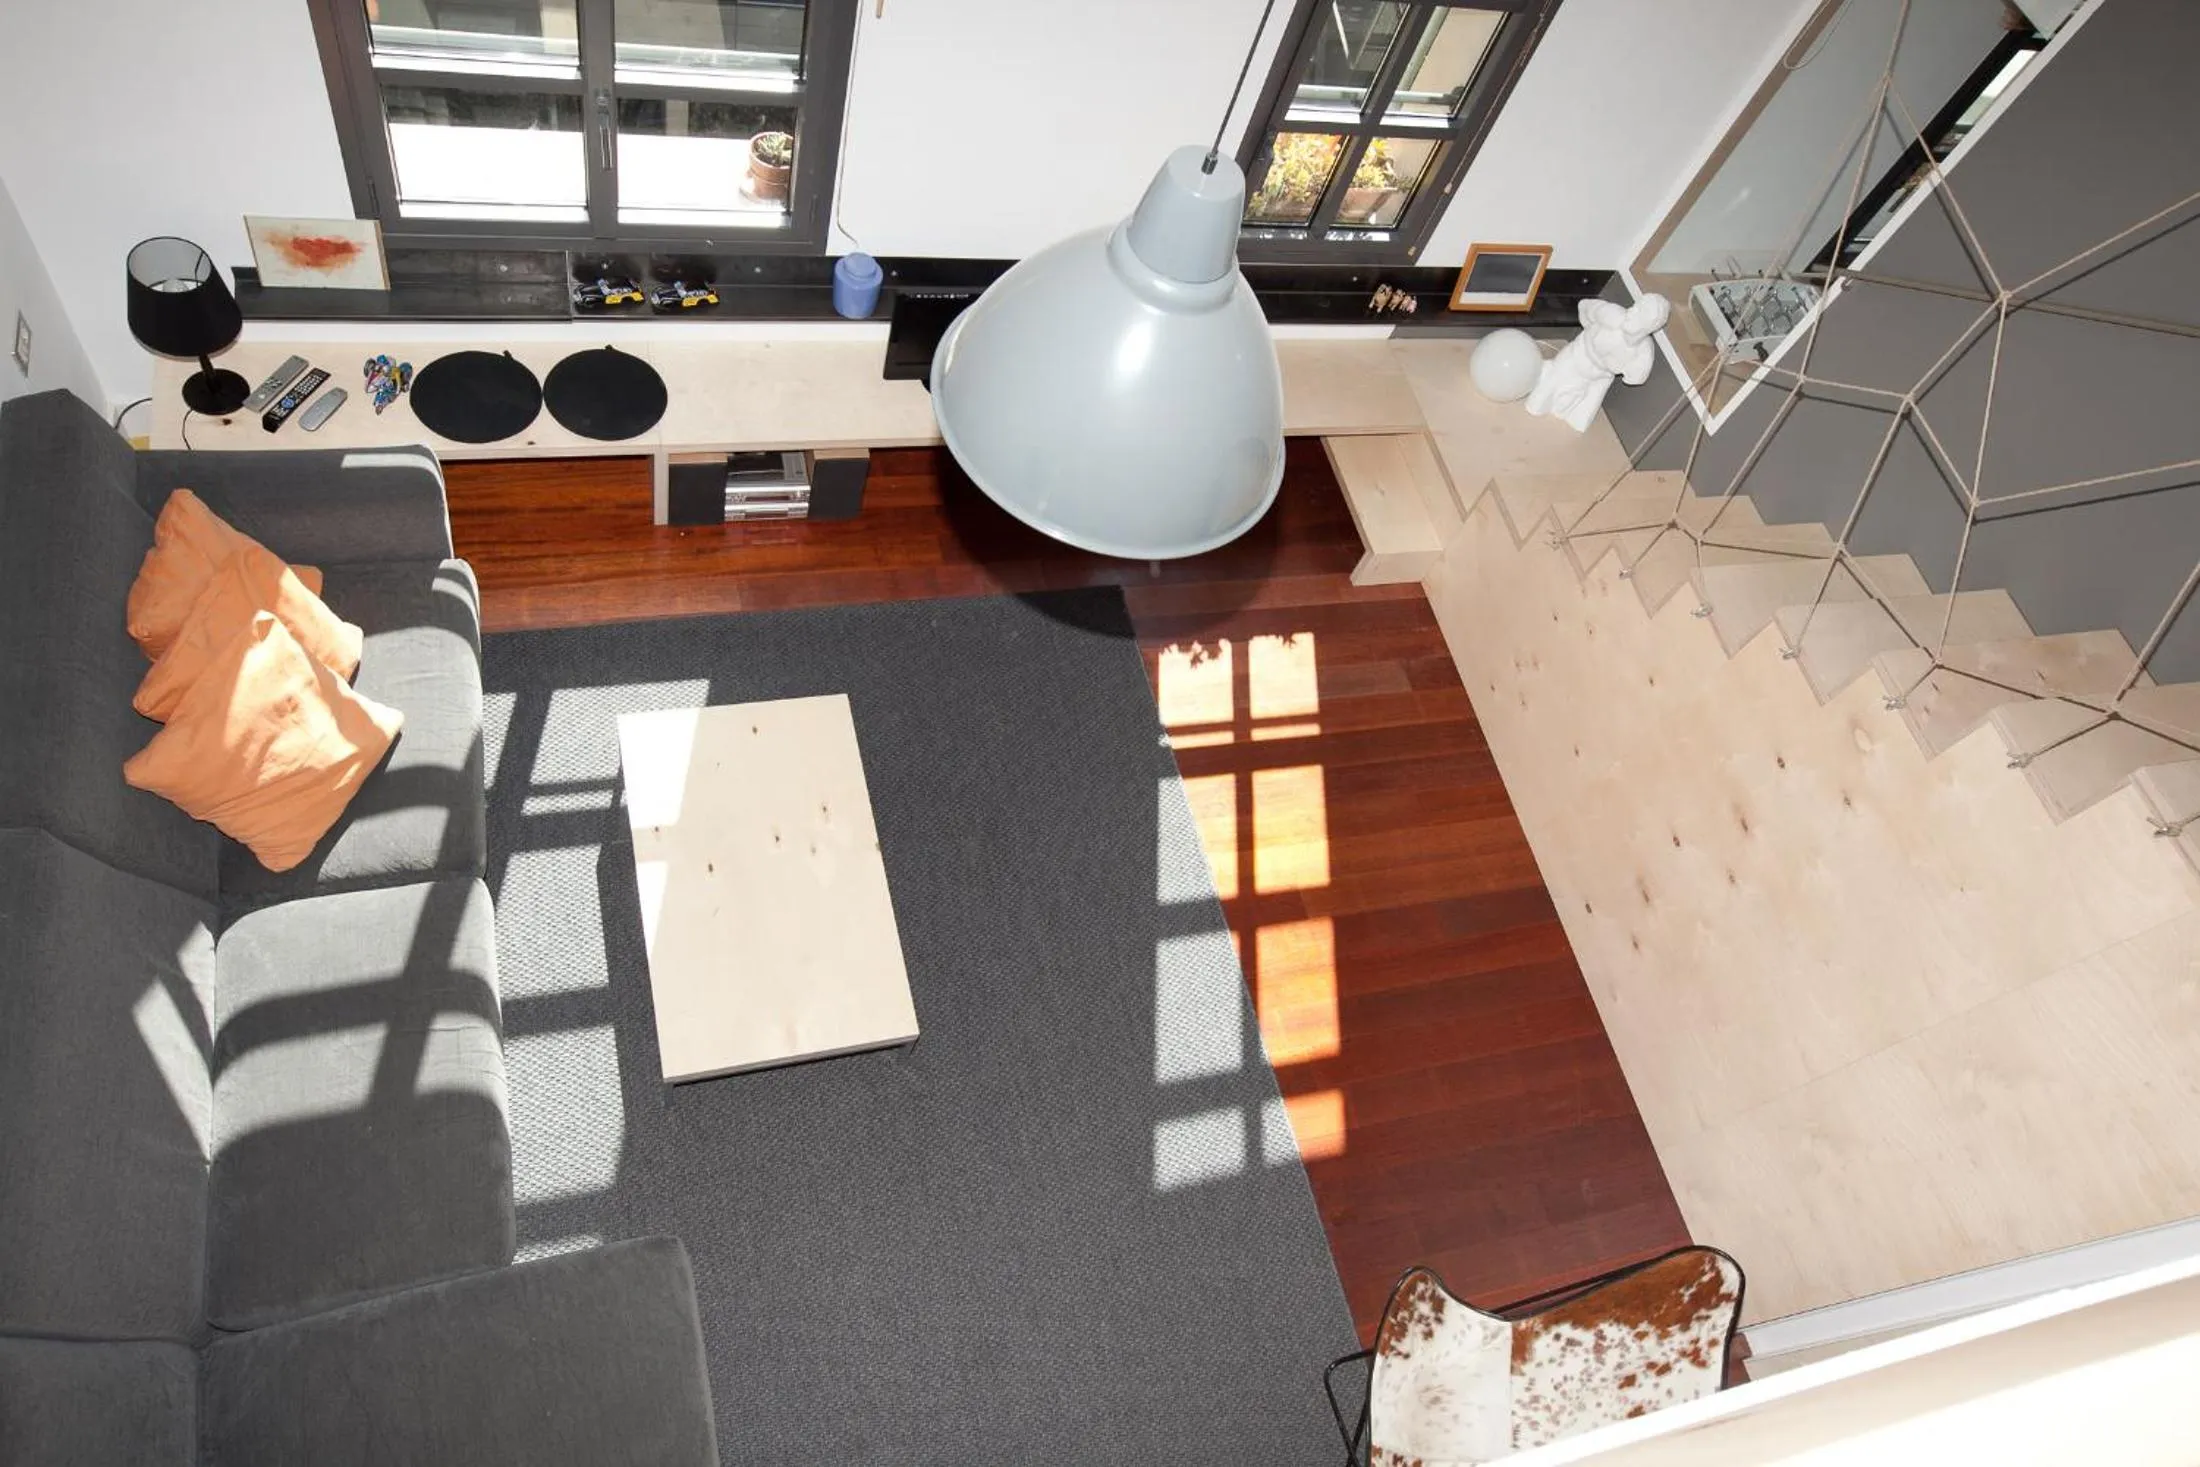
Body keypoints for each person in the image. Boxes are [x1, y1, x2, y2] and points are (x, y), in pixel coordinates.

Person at [1525, 294, 1672, 433]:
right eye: (1636, 306)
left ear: (1651, 326)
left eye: (1641, 312)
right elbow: (1585, 307)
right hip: (1576, 356)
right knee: (1539, 400)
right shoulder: (1611, 314)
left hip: (1599, 378)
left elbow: (1636, 378)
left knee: (1579, 420)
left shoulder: (1643, 353)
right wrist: (1590, 331)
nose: (1633, 311)